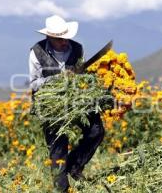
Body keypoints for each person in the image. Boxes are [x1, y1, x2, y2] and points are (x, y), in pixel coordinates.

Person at [29, 15, 105, 192]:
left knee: (96, 131)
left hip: (76, 99)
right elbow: (34, 83)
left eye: (66, 37)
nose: (64, 41)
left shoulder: (77, 48)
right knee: (58, 148)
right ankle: (62, 188)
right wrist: (57, 79)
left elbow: (84, 76)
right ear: (49, 37)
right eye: (59, 39)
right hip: (50, 104)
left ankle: (74, 166)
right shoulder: (36, 52)